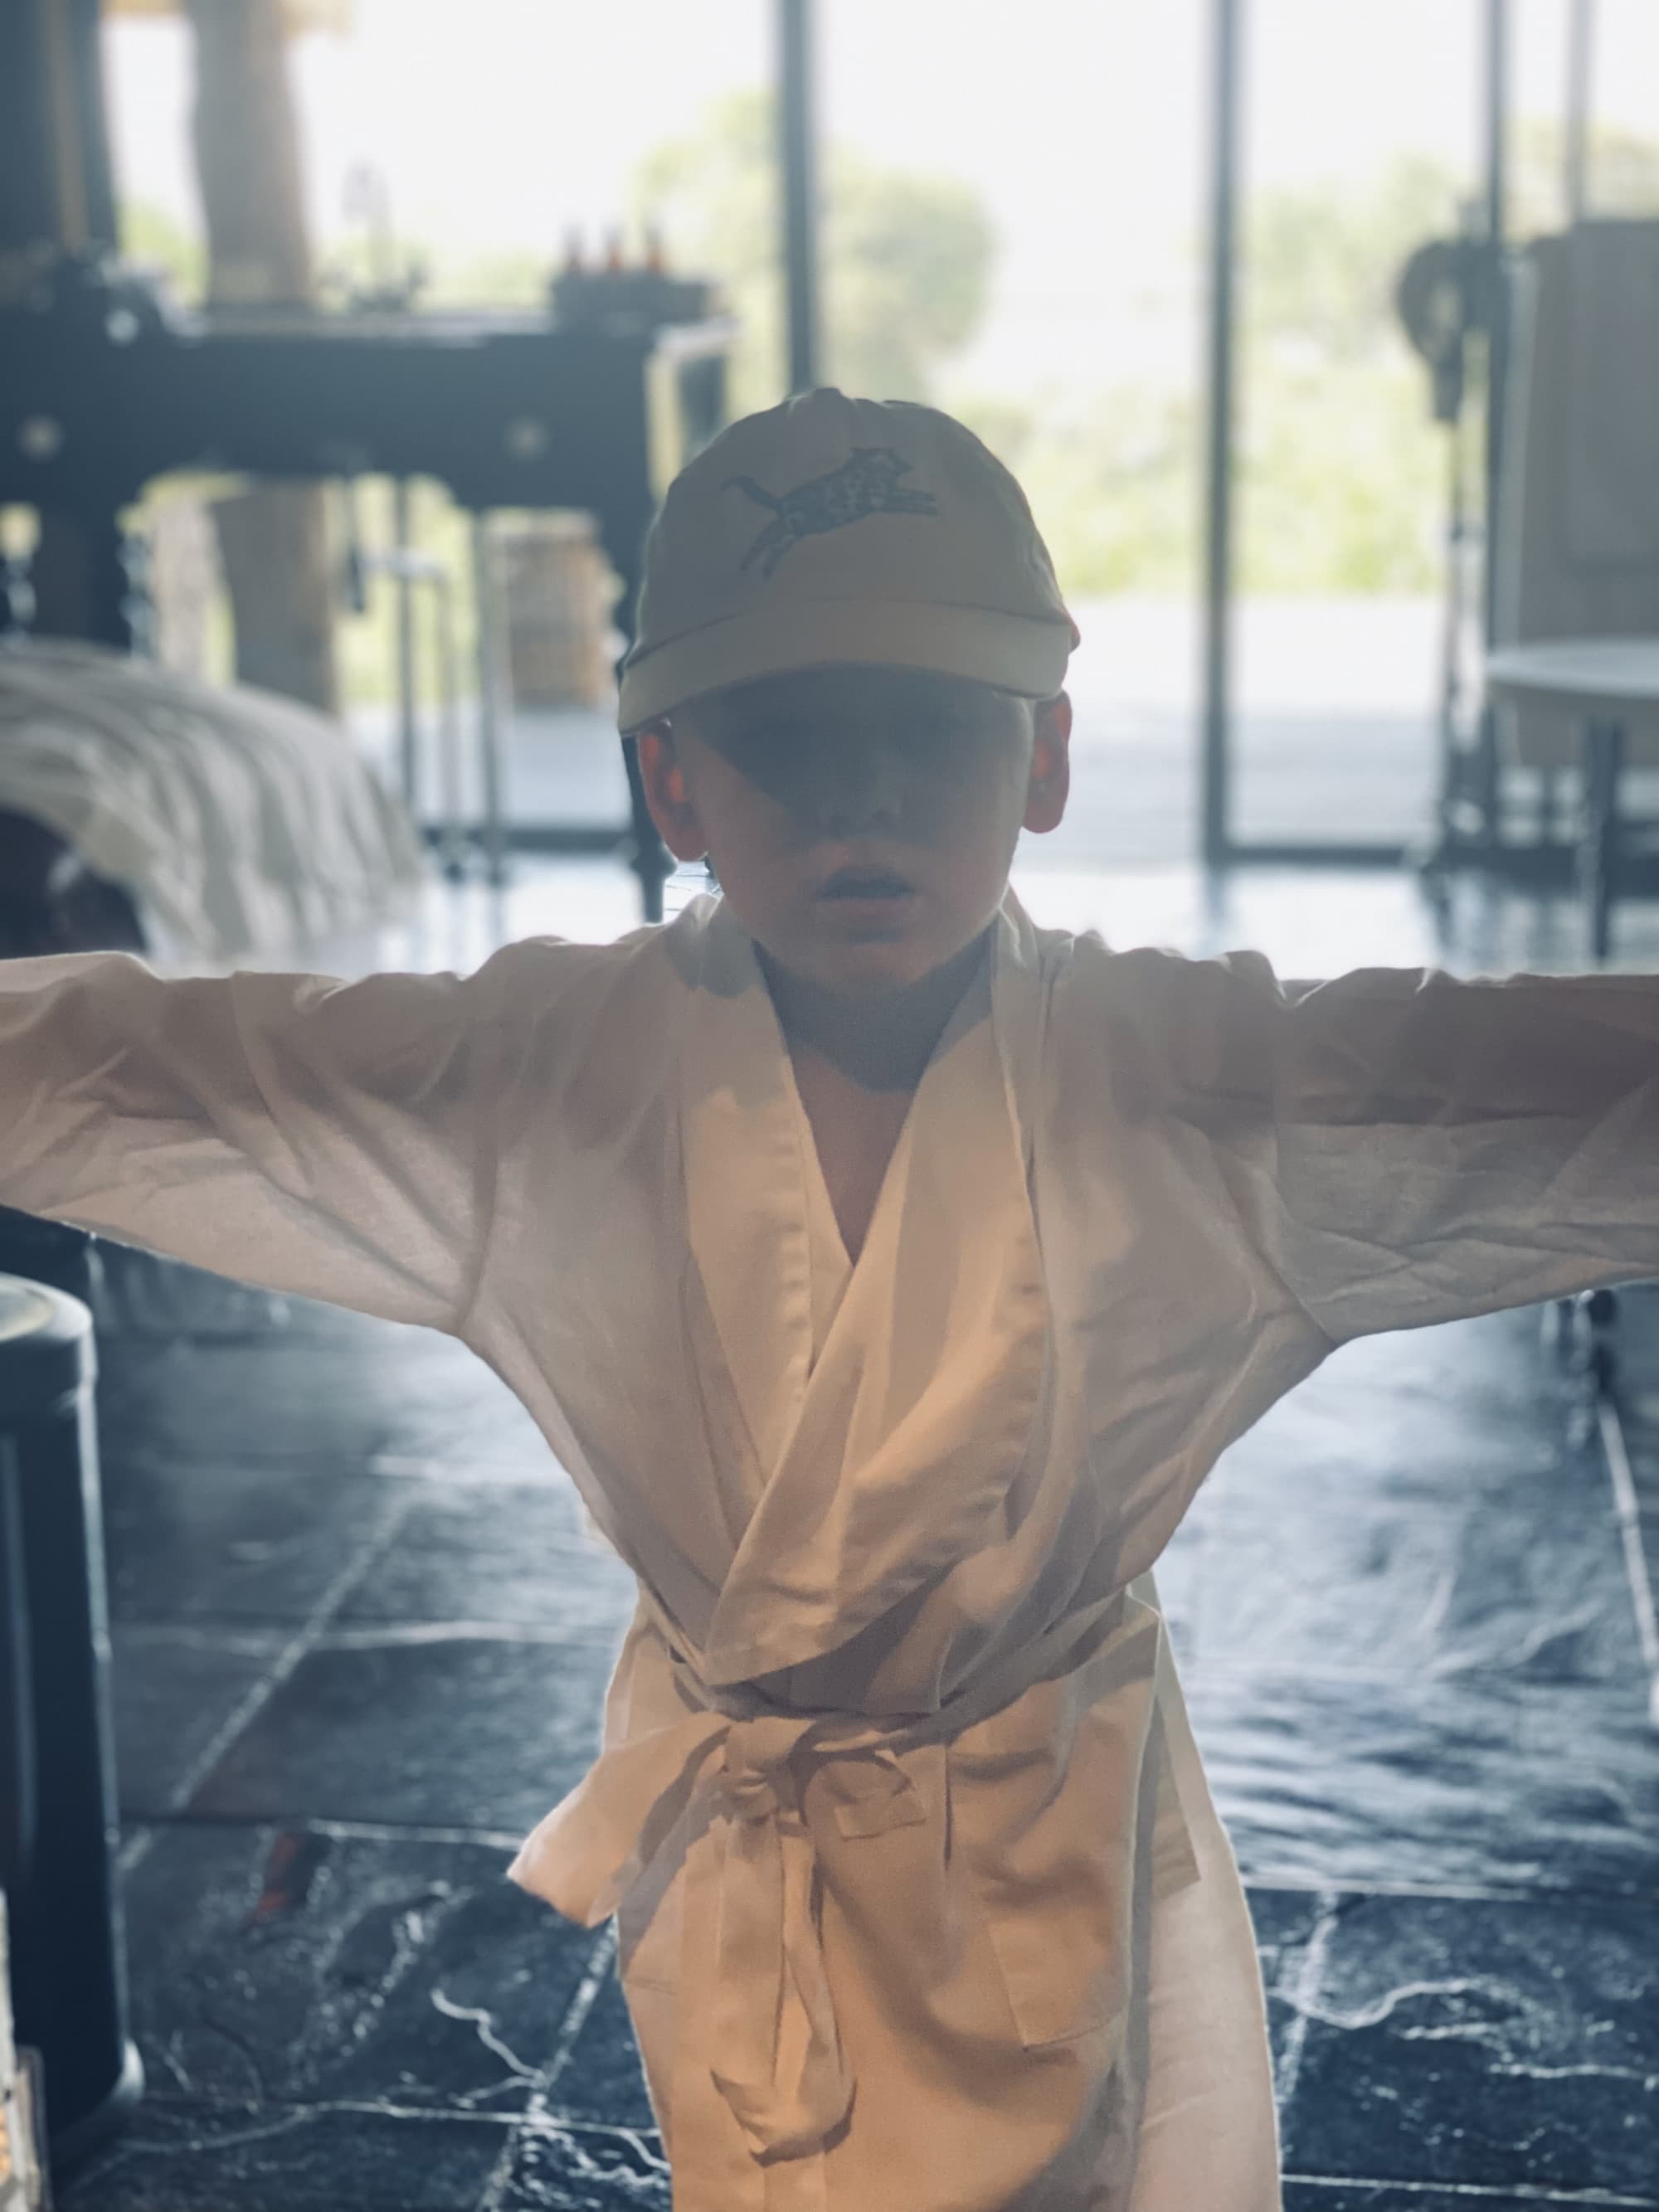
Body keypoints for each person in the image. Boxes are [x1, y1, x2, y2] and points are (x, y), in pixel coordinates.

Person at [2, 389, 1657, 2212]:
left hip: (1035, 1837)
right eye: (791, 733)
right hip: (749, 1854)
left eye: (931, 729)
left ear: (1043, 758)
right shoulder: (550, 1078)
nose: (865, 798)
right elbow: (189, 1068)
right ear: (672, 777)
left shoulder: (1172, 1083)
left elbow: (1507, 1077)